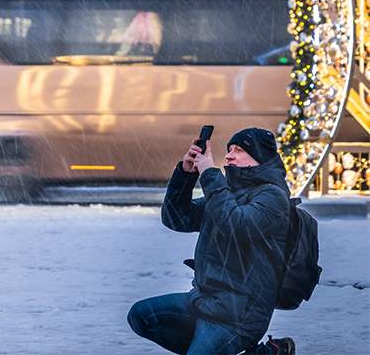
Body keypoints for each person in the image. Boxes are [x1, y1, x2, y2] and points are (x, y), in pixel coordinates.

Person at [127, 128, 296, 354]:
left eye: (239, 150)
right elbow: (176, 219)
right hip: (204, 301)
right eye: (229, 150)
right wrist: (186, 175)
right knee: (141, 316)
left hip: (239, 315)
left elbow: (236, 226)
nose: (228, 155)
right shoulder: (225, 194)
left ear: (259, 158)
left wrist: (209, 173)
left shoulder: (273, 198)